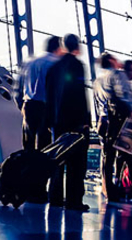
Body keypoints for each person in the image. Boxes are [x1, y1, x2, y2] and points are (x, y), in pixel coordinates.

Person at [46, 34, 91, 212]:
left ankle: (55, 197)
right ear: (76, 46)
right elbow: (79, 93)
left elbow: (49, 95)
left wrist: (50, 120)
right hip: (74, 121)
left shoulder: (53, 67)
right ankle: (74, 200)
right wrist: (85, 120)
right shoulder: (77, 65)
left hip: (57, 121)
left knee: (57, 159)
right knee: (77, 162)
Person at [94, 52, 132, 202]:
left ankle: (109, 191)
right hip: (118, 123)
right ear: (110, 61)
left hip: (103, 122)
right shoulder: (117, 75)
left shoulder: (97, 80)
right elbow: (124, 95)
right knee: (131, 156)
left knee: (107, 159)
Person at [20, 36, 63, 154]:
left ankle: (27, 170)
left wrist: (22, 104)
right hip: (46, 107)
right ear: (58, 48)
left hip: (28, 105)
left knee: (28, 143)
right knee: (44, 145)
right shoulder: (56, 63)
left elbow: (18, 87)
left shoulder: (30, 62)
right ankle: (41, 171)